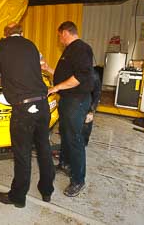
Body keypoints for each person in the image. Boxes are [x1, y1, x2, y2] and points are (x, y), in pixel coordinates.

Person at [0, 22, 55, 208]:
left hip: (23, 109)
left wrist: (3, 89)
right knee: (44, 148)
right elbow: (42, 65)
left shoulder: (0, 46)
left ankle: (18, 197)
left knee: (22, 154)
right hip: (42, 104)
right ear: (22, 33)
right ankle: (47, 191)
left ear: (5, 34)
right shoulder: (31, 45)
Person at [48, 21, 94, 197]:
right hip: (69, 100)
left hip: (77, 100)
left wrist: (56, 88)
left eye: (59, 35)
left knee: (75, 139)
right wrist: (48, 69)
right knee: (66, 134)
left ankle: (78, 180)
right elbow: (65, 75)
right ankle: (65, 164)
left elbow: (80, 77)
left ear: (65, 32)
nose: (59, 39)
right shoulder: (70, 50)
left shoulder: (81, 48)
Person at [82, 69, 101, 146]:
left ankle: (83, 143)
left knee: (86, 123)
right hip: (75, 103)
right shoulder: (72, 71)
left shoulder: (93, 75)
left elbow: (97, 94)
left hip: (87, 104)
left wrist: (91, 111)